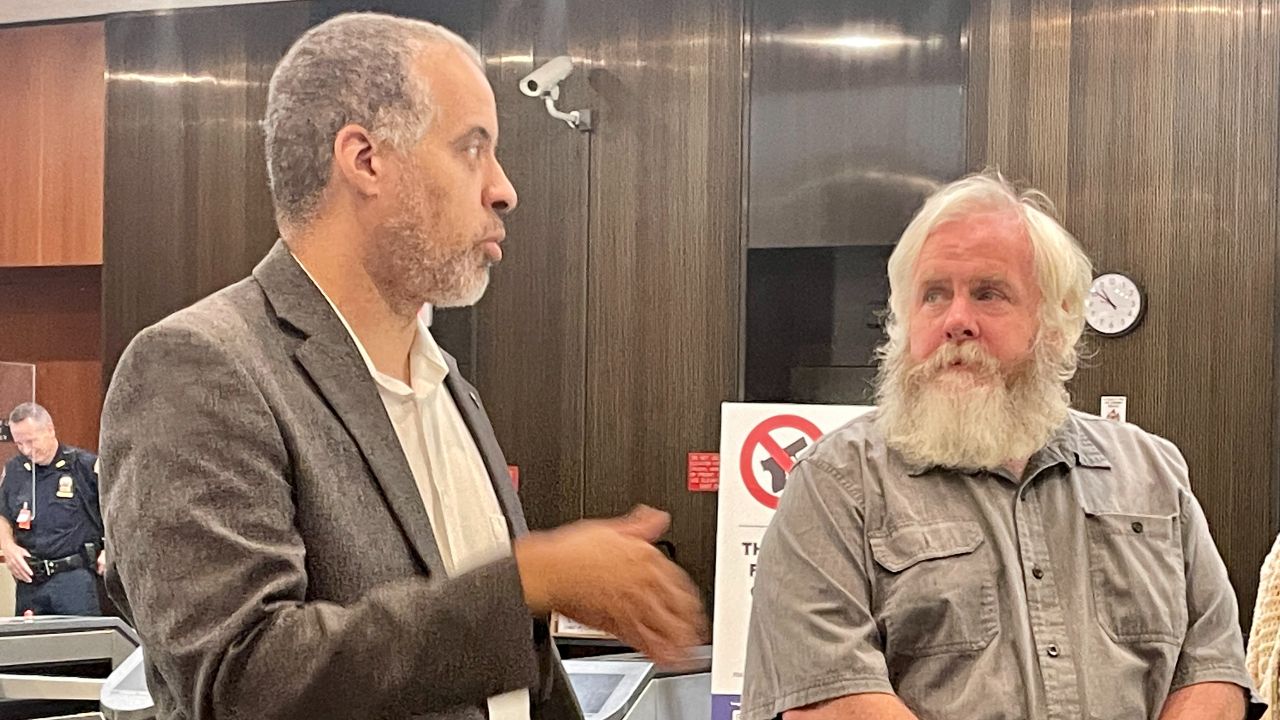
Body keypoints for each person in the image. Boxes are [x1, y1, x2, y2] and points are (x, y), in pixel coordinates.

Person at [98, 13, 703, 720]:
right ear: (366, 160)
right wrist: (531, 580)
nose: (504, 189)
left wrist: (532, 592)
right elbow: (238, 678)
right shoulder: (199, 366)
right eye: (473, 148)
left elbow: (506, 685)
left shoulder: (449, 385)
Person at [740, 172, 1263, 720]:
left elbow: (1212, 670)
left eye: (989, 293)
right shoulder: (836, 485)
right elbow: (830, 700)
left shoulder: (1153, 471)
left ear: (1056, 323)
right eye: (933, 295)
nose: (956, 321)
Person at [0, 402, 104, 616]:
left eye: (31, 441)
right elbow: (3, 514)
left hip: (74, 578)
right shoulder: (15, 470)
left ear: (50, 430)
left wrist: (112, 550)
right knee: (32, 645)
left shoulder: (83, 466)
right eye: (19, 443)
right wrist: (8, 547)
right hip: (30, 580)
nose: (26, 450)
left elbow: (116, 511)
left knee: (79, 645)